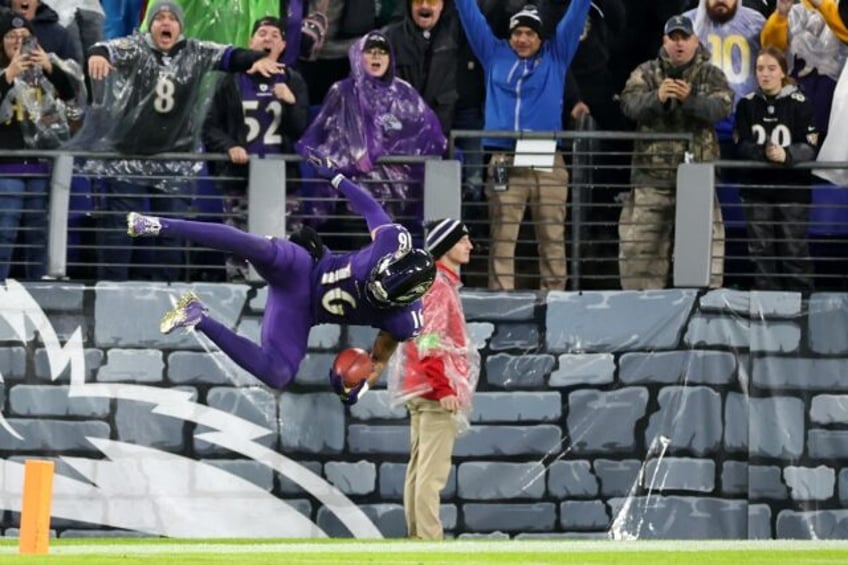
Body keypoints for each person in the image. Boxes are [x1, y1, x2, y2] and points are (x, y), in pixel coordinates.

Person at [126, 153, 437, 405]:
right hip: (305, 267)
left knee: (278, 373)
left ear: (402, 301)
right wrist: (337, 177)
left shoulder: (404, 320)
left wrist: (359, 388)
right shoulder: (393, 241)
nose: (372, 289)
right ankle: (156, 225)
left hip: (303, 311)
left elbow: (378, 360)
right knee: (255, 246)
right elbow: (371, 208)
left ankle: (197, 316)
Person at [78, 0, 282, 282]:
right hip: (128, 157)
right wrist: (97, 55)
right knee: (119, 231)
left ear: (180, 27)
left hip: (174, 158)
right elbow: (103, 48)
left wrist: (255, 59)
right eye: (159, 18)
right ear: (150, 25)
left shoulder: (195, 51)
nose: (165, 23)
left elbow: (231, 55)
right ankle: (110, 292)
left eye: (171, 18)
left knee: (170, 232)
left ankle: (167, 293)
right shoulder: (135, 47)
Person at [454, 1, 592, 291]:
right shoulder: (493, 54)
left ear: (541, 37)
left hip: (548, 160)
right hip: (505, 158)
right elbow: (470, 15)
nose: (523, 38)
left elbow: (576, 14)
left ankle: (554, 300)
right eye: (517, 32)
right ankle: (500, 300)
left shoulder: (557, 56)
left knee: (552, 237)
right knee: (502, 238)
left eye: (530, 33)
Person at [618, 15, 733, 290]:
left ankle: (702, 314)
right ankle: (642, 315)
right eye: (674, 38)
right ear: (664, 41)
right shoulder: (645, 72)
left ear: (695, 40)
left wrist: (689, 100)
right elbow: (628, 105)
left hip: (698, 181)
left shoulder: (711, 73)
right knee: (640, 254)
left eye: (685, 38)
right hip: (651, 179)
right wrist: (656, 99)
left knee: (704, 255)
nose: (679, 44)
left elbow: (722, 107)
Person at [295, 30, 446, 229]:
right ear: (358, 56)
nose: (376, 55)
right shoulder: (343, 92)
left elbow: (430, 137)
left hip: (396, 200)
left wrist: (392, 159)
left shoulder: (404, 93)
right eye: (370, 51)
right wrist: (357, 155)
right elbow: (324, 139)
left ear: (391, 58)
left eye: (382, 52)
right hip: (351, 198)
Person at [390, 217, 479, 540]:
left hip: (419, 386)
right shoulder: (439, 286)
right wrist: (443, 385)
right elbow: (428, 339)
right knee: (432, 471)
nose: (470, 245)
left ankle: (417, 536)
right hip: (432, 389)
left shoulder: (431, 283)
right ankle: (429, 539)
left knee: (419, 467)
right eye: (463, 240)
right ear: (446, 247)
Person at [202, 15, 309, 281]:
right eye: (262, 33)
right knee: (239, 252)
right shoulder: (229, 82)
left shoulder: (293, 80)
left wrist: (290, 102)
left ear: (283, 45)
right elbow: (209, 126)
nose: (268, 38)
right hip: (240, 181)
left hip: (283, 184)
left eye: (275, 34)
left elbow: (301, 131)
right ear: (250, 42)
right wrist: (230, 146)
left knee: (286, 252)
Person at [0, 9, 80, 280]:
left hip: (39, 168)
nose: (18, 41)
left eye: (25, 36)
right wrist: (8, 75)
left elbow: (73, 94)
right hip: (6, 169)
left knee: (37, 238)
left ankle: (37, 295)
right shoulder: (4, 72)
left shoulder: (44, 70)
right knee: (4, 234)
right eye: (11, 36)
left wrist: (49, 66)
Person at [733, 46, 818, 291]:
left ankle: (803, 312)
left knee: (794, 250)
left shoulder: (802, 104)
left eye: (771, 69)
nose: (765, 74)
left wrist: (787, 155)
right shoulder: (746, 105)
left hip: (793, 191)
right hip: (756, 190)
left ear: (783, 72)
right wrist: (765, 154)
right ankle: (766, 315)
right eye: (760, 69)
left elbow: (811, 145)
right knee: (761, 253)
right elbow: (741, 144)